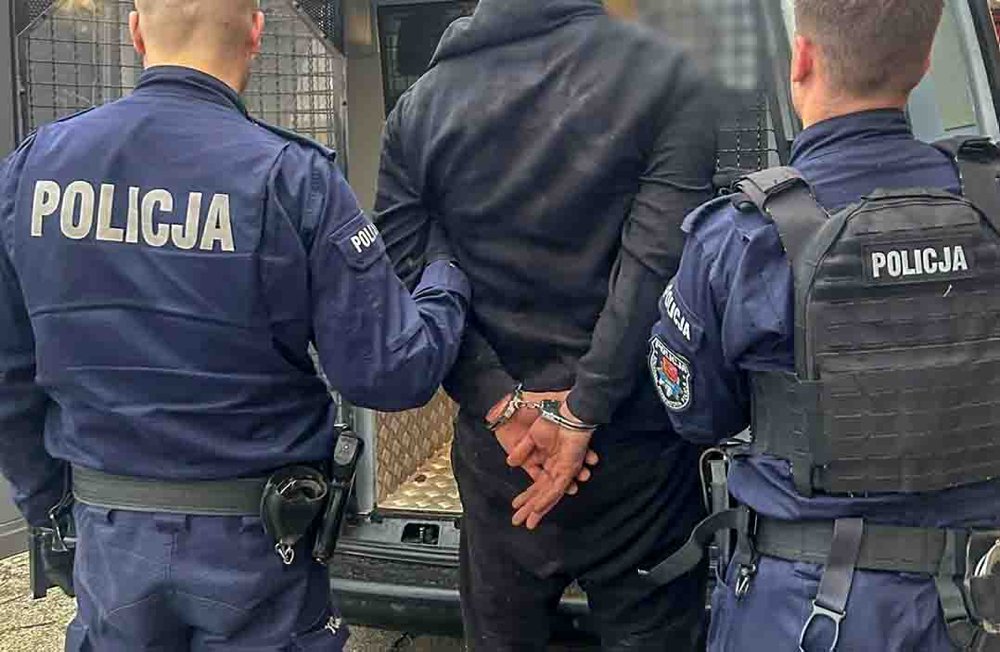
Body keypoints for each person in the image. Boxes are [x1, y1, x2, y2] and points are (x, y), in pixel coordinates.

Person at [0, 0, 470, 649]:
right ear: (256, 32)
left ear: (136, 32)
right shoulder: (294, 178)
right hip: (257, 553)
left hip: (112, 540)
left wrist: (53, 510)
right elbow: (392, 373)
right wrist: (447, 272)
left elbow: (8, 377)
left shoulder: (34, 169)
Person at [649, 1, 1000, 650]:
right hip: (980, 605)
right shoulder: (991, 208)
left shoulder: (742, 238)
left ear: (802, 57)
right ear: (925, 62)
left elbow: (695, 414)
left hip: (806, 613)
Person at [375, 0, 718, 648]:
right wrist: (584, 409)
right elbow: (655, 266)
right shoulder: (670, 79)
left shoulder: (420, 108)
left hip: (505, 455)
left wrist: (499, 402)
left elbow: (406, 270)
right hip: (634, 455)